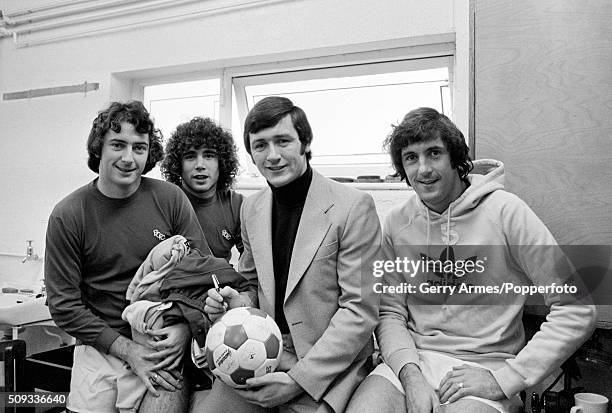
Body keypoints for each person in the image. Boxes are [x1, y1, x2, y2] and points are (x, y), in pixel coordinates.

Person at [346, 107, 597, 413]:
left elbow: (578, 307)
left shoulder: (507, 212)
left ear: (456, 159)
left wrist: (506, 378)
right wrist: (410, 374)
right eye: (411, 157)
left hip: (487, 365)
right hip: (413, 361)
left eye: (434, 153)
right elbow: (390, 312)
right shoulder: (398, 222)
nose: (423, 169)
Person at [200, 96, 382, 413]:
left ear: (304, 143)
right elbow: (252, 286)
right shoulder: (251, 209)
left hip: (326, 366)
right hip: (262, 351)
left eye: (283, 141)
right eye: (260, 146)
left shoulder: (354, 206)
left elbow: (359, 311)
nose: (273, 156)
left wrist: (299, 378)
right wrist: (236, 304)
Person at [45, 101, 213, 413]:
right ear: (99, 149)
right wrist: (127, 350)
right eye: (118, 145)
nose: (128, 158)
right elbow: (64, 306)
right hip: (99, 348)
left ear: (149, 153)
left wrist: (183, 329)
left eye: (139, 147)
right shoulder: (69, 215)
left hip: (160, 346)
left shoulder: (170, 199)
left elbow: (203, 274)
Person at [161, 117, 243, 263]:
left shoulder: (236, 205)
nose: (200, 165)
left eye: (209, 155)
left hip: (219, 281)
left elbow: (252, 264)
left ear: (222, 162)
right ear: (178, 165)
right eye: (190, 156)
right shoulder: (165, 202)